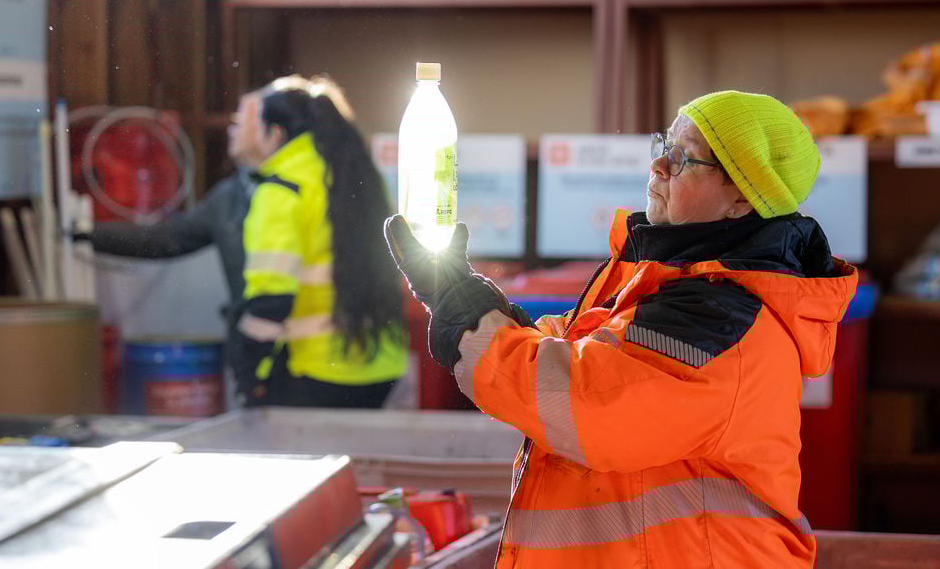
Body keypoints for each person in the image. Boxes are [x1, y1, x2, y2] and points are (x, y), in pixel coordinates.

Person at [385, 90, 858, 568]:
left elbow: (584, 400)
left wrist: (466, 310)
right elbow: (568, 349)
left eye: (682, 159)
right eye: (663, 148)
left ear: (741, 197)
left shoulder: (721, 317)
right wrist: (466, 299)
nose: (657, 167)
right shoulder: (658, 282)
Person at [233, 75, 407, 408]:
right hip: (383, 367)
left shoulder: (282, 190)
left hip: (315, 371)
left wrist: (248, 373)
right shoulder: (360, 179)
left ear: (275, 134)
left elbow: (270, 299)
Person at [88, 92, 270, 335]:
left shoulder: (309, 191)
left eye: (241, 122)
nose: (231, 130)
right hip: (253, 343)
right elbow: (166, 240)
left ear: (274, 132)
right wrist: (90, 235)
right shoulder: (230, 197)